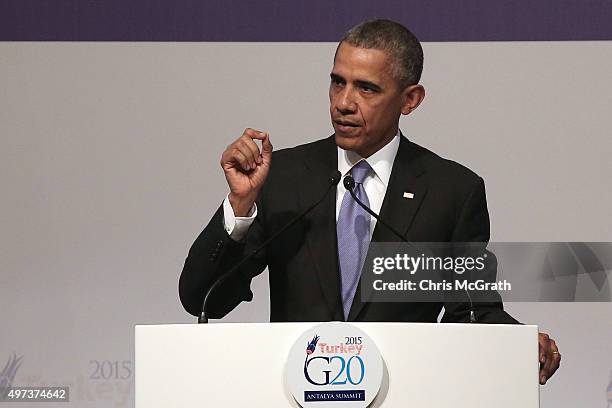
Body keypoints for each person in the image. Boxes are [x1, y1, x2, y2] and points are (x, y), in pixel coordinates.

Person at [179, 19, 560, 384]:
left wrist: (518, 344)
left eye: (366, 88)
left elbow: (472, 310)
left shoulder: (452, 192)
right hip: (295, 392)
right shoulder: (283, 176)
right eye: (337, 82)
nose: (343, 102)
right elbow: (203, 300)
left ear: (410, 99)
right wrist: (241, 205)